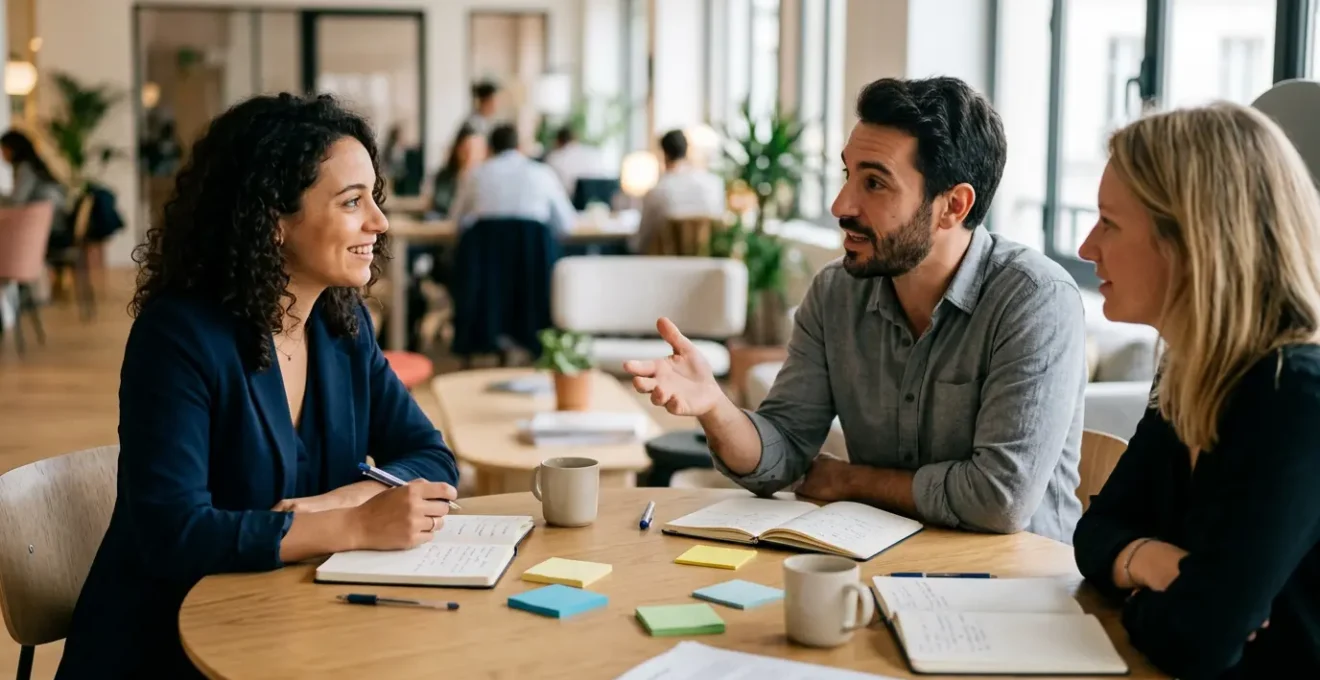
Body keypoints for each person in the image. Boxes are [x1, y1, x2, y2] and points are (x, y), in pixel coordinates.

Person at [56, 93, 461, 679]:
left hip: (293, 627)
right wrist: (351, 525)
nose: (380, 221)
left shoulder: (341, 326)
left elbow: (432, 458)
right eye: (353, 202)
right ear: (274, 221)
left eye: (375, 197)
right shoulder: (178, 337)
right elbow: (174, 532)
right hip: (169, 645)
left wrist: (339, 503)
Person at [625, 76, 1088, 543]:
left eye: (875, 183)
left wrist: (849, 481)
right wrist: (715, 406)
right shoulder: (836, 293)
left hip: (1018, 585)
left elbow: (999, 498)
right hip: (883, 562)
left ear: (953, 205)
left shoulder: (1035, 300)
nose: (840, 204)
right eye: (848, 175)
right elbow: (782, 453)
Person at [1072, 103, 1320, 679]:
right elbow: (1093, 534)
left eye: (1109, 222)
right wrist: (1151, 561)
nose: (1087, 247)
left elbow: (1198, 639)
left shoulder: (1296, 401)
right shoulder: (1190, 372)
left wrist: (1141, 592)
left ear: (1190, 240)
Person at [449, 123, 577, 236]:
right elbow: (566, 224)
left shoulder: (475, 175)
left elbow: (456, 221)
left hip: (485, 260)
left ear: (489, 150)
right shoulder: (543, 173)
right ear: (519, 147)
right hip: (533, 258)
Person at [633, 129, 725, 253]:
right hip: (708, 262)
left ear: (663, 154)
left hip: (666, 268)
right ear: (687, 151)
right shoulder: (714, 184)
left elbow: (642, 240)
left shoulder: (657, 192)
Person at [0, 129, 70, 247]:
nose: (2, 154)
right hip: (58, 226)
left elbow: (16, 202)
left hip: (50, 231)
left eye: (3, 149)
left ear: (13, 150)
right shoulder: (33, 167)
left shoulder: (25, 169)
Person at [429, 124, 487, 218]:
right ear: (457, 149)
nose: (470, 154)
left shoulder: (486, 181)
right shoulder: (445, 177)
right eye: (466, 149)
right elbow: (441, 206)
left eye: (475, 149)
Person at [543, 124, 609, 197]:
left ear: (558, 141)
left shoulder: (554, 158)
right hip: (596, 201)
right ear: (576, 138)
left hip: (568, 202)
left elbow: (549, 188)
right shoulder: (594, 153)